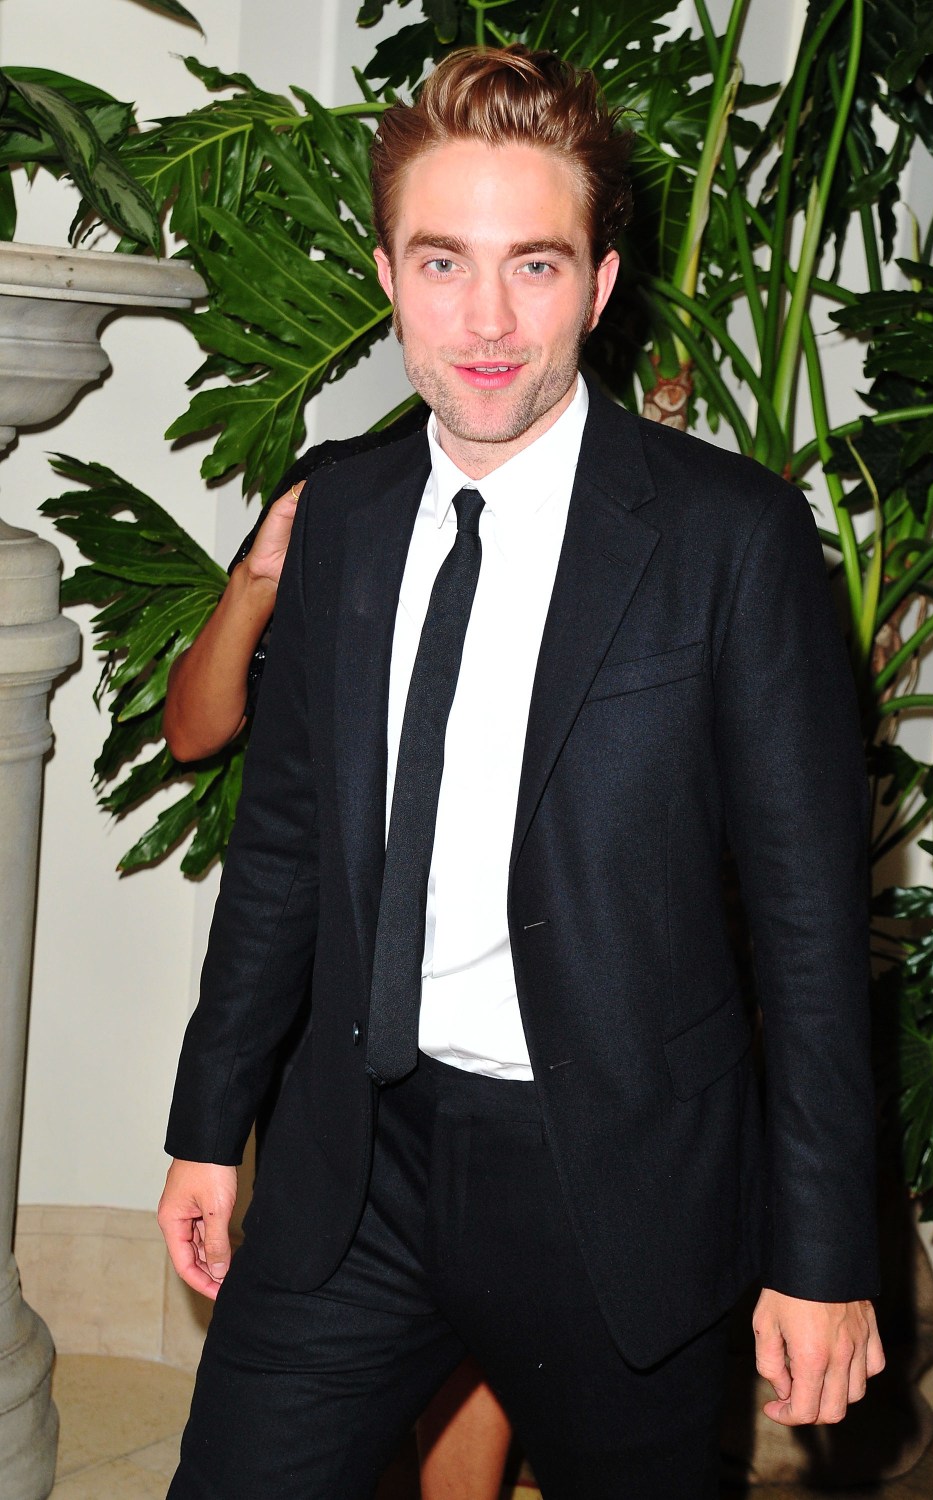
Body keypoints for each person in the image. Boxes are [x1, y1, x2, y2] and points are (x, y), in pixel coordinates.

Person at [158, 43, 884, 1500]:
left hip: (611, 1178)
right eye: (443, 263)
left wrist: (821, 1255)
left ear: (600, 286)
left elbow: (811, 930)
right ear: (388, 277)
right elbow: (285, 847)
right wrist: (205, 1127)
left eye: (534, 266)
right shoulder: (342, 515)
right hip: (355, 1163)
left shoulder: (731, 540)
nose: (486, 321)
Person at [164, 430, 513, 1500]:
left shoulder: (566, 513)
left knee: (483, 1340)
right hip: (323, 981)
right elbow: (194, 732)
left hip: (487, 1002)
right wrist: (258, 581)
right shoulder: (342, 487)